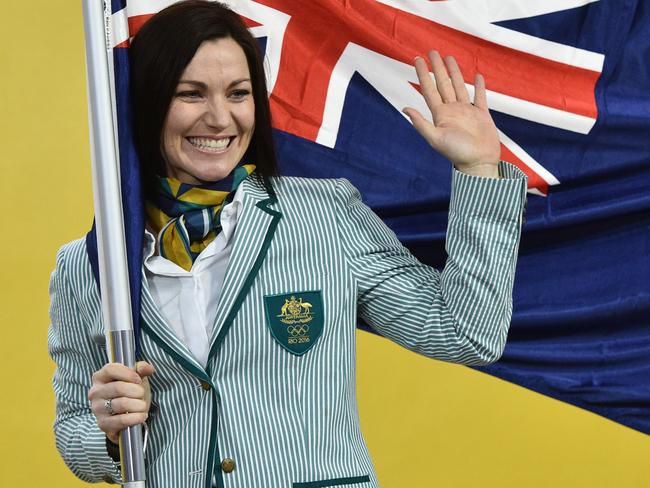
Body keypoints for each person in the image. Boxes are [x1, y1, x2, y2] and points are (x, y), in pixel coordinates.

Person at [48, 1, 527, 487]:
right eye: (190, 94)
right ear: (147, 102)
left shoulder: (325, 214)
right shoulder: (91, 263)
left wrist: (477, 169)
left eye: (238, 93)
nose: (219, 118)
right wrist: (109, 433)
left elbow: (465, 331)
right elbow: (72, 431)